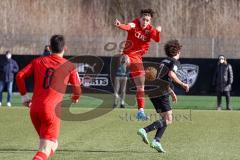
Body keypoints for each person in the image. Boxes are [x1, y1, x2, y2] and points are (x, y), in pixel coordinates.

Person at [16, 35, 81, 160]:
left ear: (50, 48)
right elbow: (78, 89)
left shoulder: (38, 61)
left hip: (34, 109)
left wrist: (24, 96)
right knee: (45, 149)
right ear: (65, 48)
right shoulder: (69, 66)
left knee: (52, 145)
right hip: (51, 111)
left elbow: (19, 76)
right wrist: (75, 97)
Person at [137, 40, 189, 153]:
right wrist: (182, 84)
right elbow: (171, 74)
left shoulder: (163, 61)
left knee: (165, 119)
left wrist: (171, 92)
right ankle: (145, 130)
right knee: (169, 119)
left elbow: (162, 79)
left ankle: (157, 141)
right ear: (178, 51)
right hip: (161, 92)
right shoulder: (174, 62)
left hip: (153, 92)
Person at [114, 8, 162, 120]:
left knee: (141, 87)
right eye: (143, 19)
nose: (145, 22)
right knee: (126, 58)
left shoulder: (150, 29)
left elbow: (157, 39)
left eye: (147, 20)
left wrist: (158, 32)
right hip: (129, 54)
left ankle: (140, 112)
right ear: (140, 18)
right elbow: (128, 26)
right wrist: (120, 25)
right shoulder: (135, 24)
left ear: (150, 21)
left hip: (138, 59)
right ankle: (125, 60)